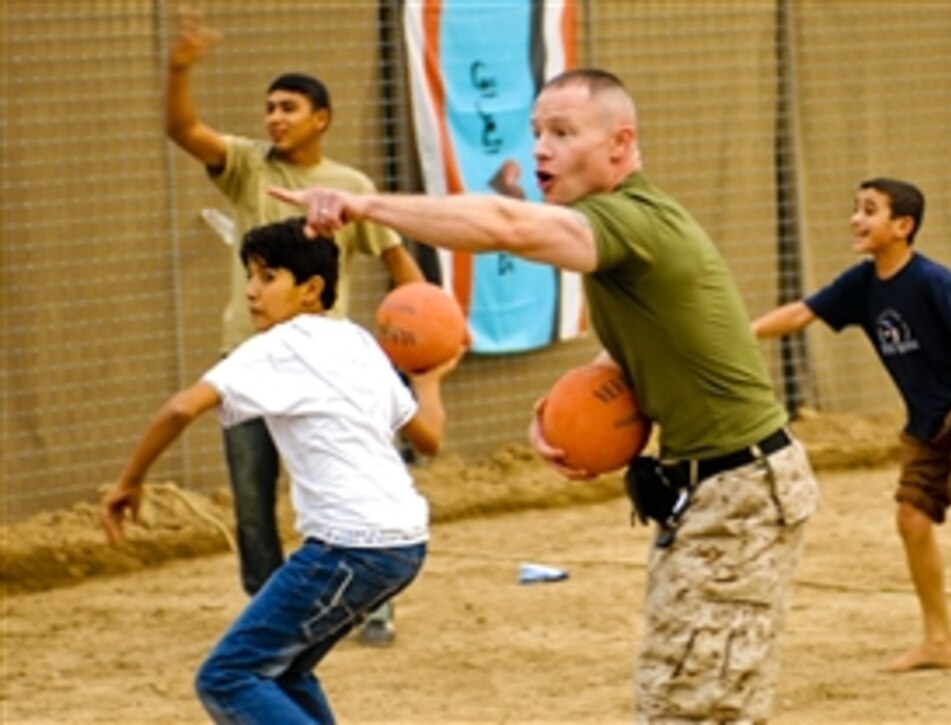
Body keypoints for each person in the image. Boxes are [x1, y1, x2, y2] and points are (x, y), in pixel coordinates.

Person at [271, 68, 820, 723]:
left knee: (694, 706)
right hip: (715, 488)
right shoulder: (621, 229)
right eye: (536, 132)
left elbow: (503, 223)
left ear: (621, 143)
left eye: (563, 132)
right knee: (683, 695)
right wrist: (569, 411)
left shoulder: (629, 219)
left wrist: (363, 206)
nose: (540, 149)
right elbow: (637, 347)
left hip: (741, 491)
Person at [100, 218, 460, 722]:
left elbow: (181, 409)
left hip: (349, 548)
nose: (251, 292)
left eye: (268, 277)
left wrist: (129, 481)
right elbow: (430, 438)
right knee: (284, 672)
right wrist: (430, 378)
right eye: (249, 276)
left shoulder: (274, 348)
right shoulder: (358, 341)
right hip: (403, 543)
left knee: (227, 677)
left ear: (312, 290)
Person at [166, 12, 422, 643]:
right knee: (252, 498)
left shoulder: (350, 188)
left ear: (321, 118)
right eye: (268, 108)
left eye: (288, 107)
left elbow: (398, 263)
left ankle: (371, 602)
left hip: (329, 368)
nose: (274, 117)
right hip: (250, 358)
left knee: (351, 479)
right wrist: (180, 67)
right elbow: (182, 129)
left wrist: (430, 322)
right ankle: (267, 606)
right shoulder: (249, 167)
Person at [751, 177, 951, 671]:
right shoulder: (860, 284)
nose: (856, 219)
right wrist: (739, 336)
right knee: (911, 520)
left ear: (903, 226)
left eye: (870, 210)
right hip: (924, 422)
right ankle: (940, 641)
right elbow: (800, 313)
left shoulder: (935, 282)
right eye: (855, 208)